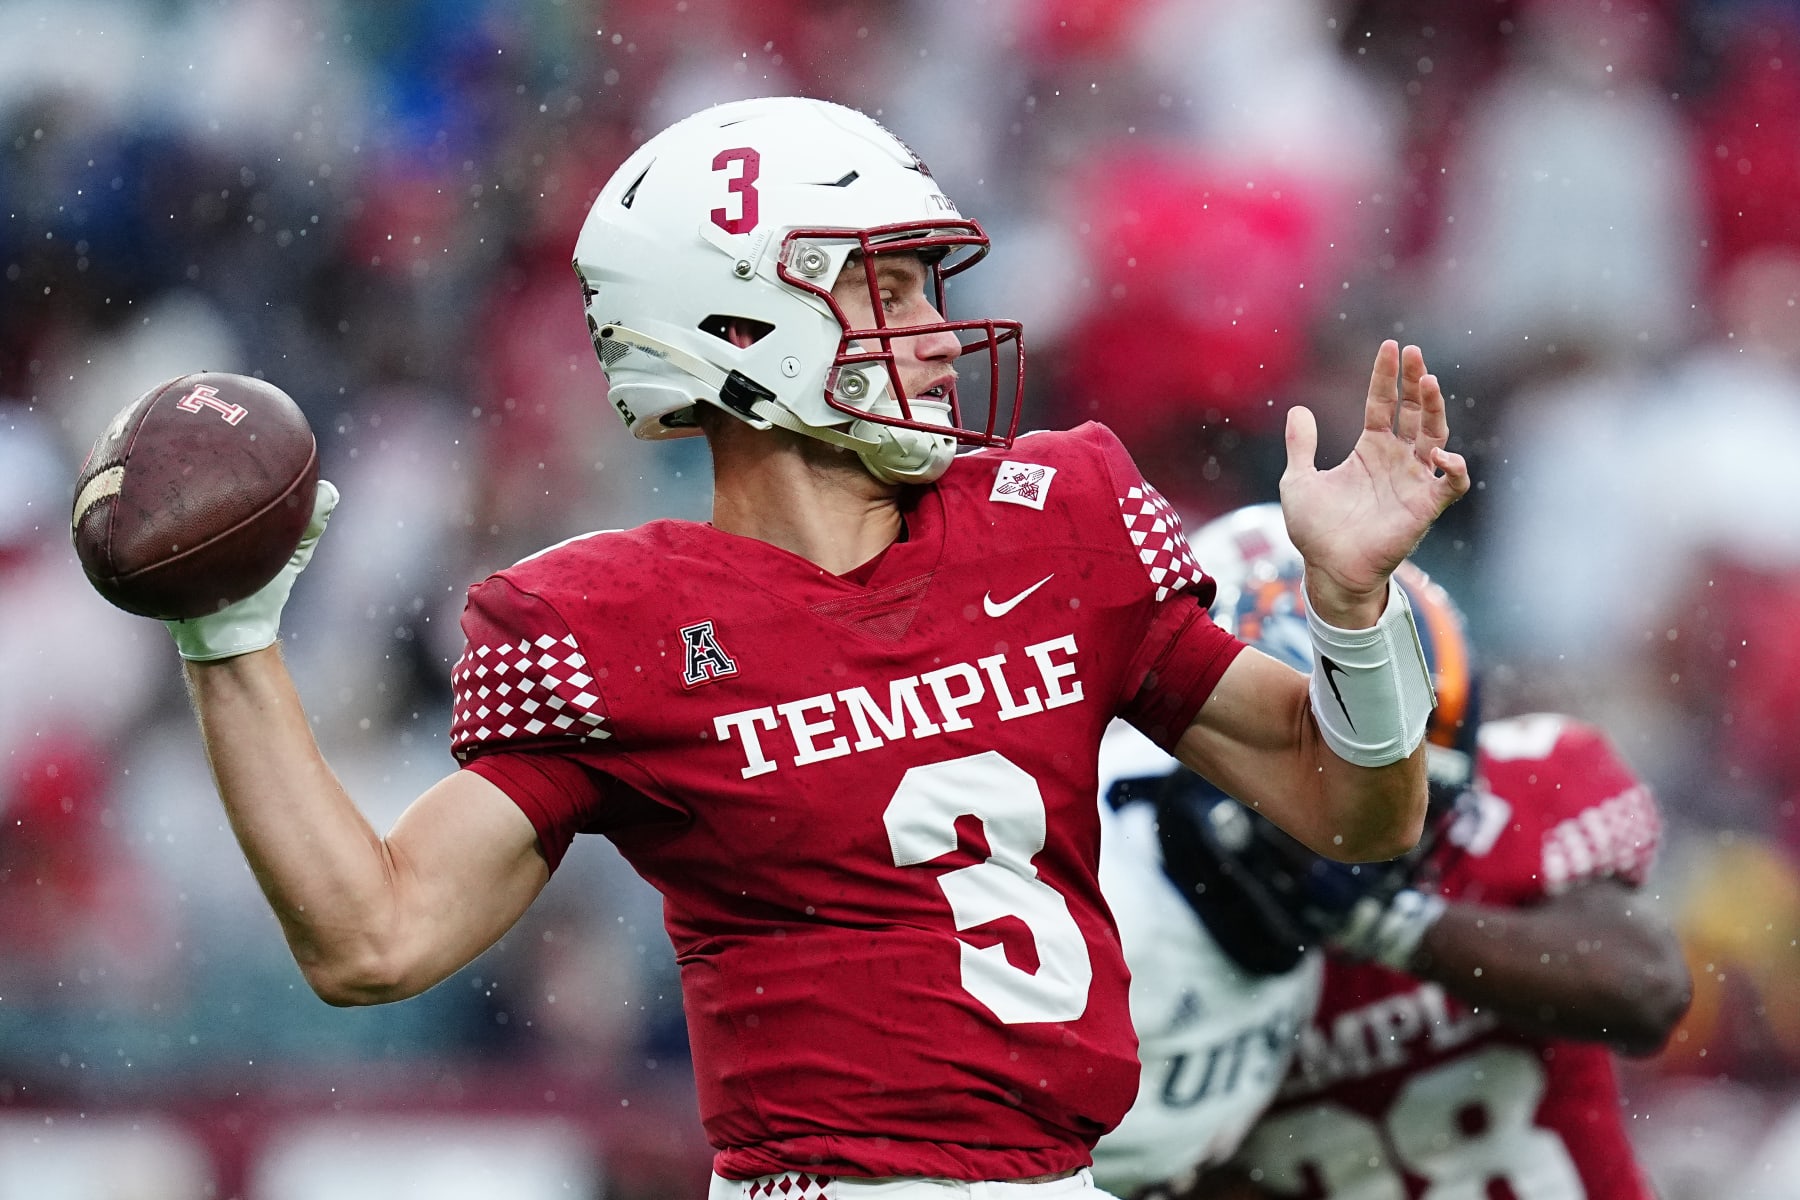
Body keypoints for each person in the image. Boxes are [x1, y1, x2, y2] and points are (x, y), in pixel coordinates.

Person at [152, 97, 1468, 1195]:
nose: (940, 330)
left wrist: (1351, 608)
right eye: (885, 286)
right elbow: (372, 938)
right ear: (734, 323)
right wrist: (231, 641)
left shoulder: (1051, 521)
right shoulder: (611, 621)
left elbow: (1353, 812)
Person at [1104, 504, 1689, 1199]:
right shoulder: (1131, 901)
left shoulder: (1535, 777)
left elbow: (1646, 991)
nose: (1390, 829)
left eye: (1418, 795)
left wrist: (1384, 923)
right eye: (1355, 790)